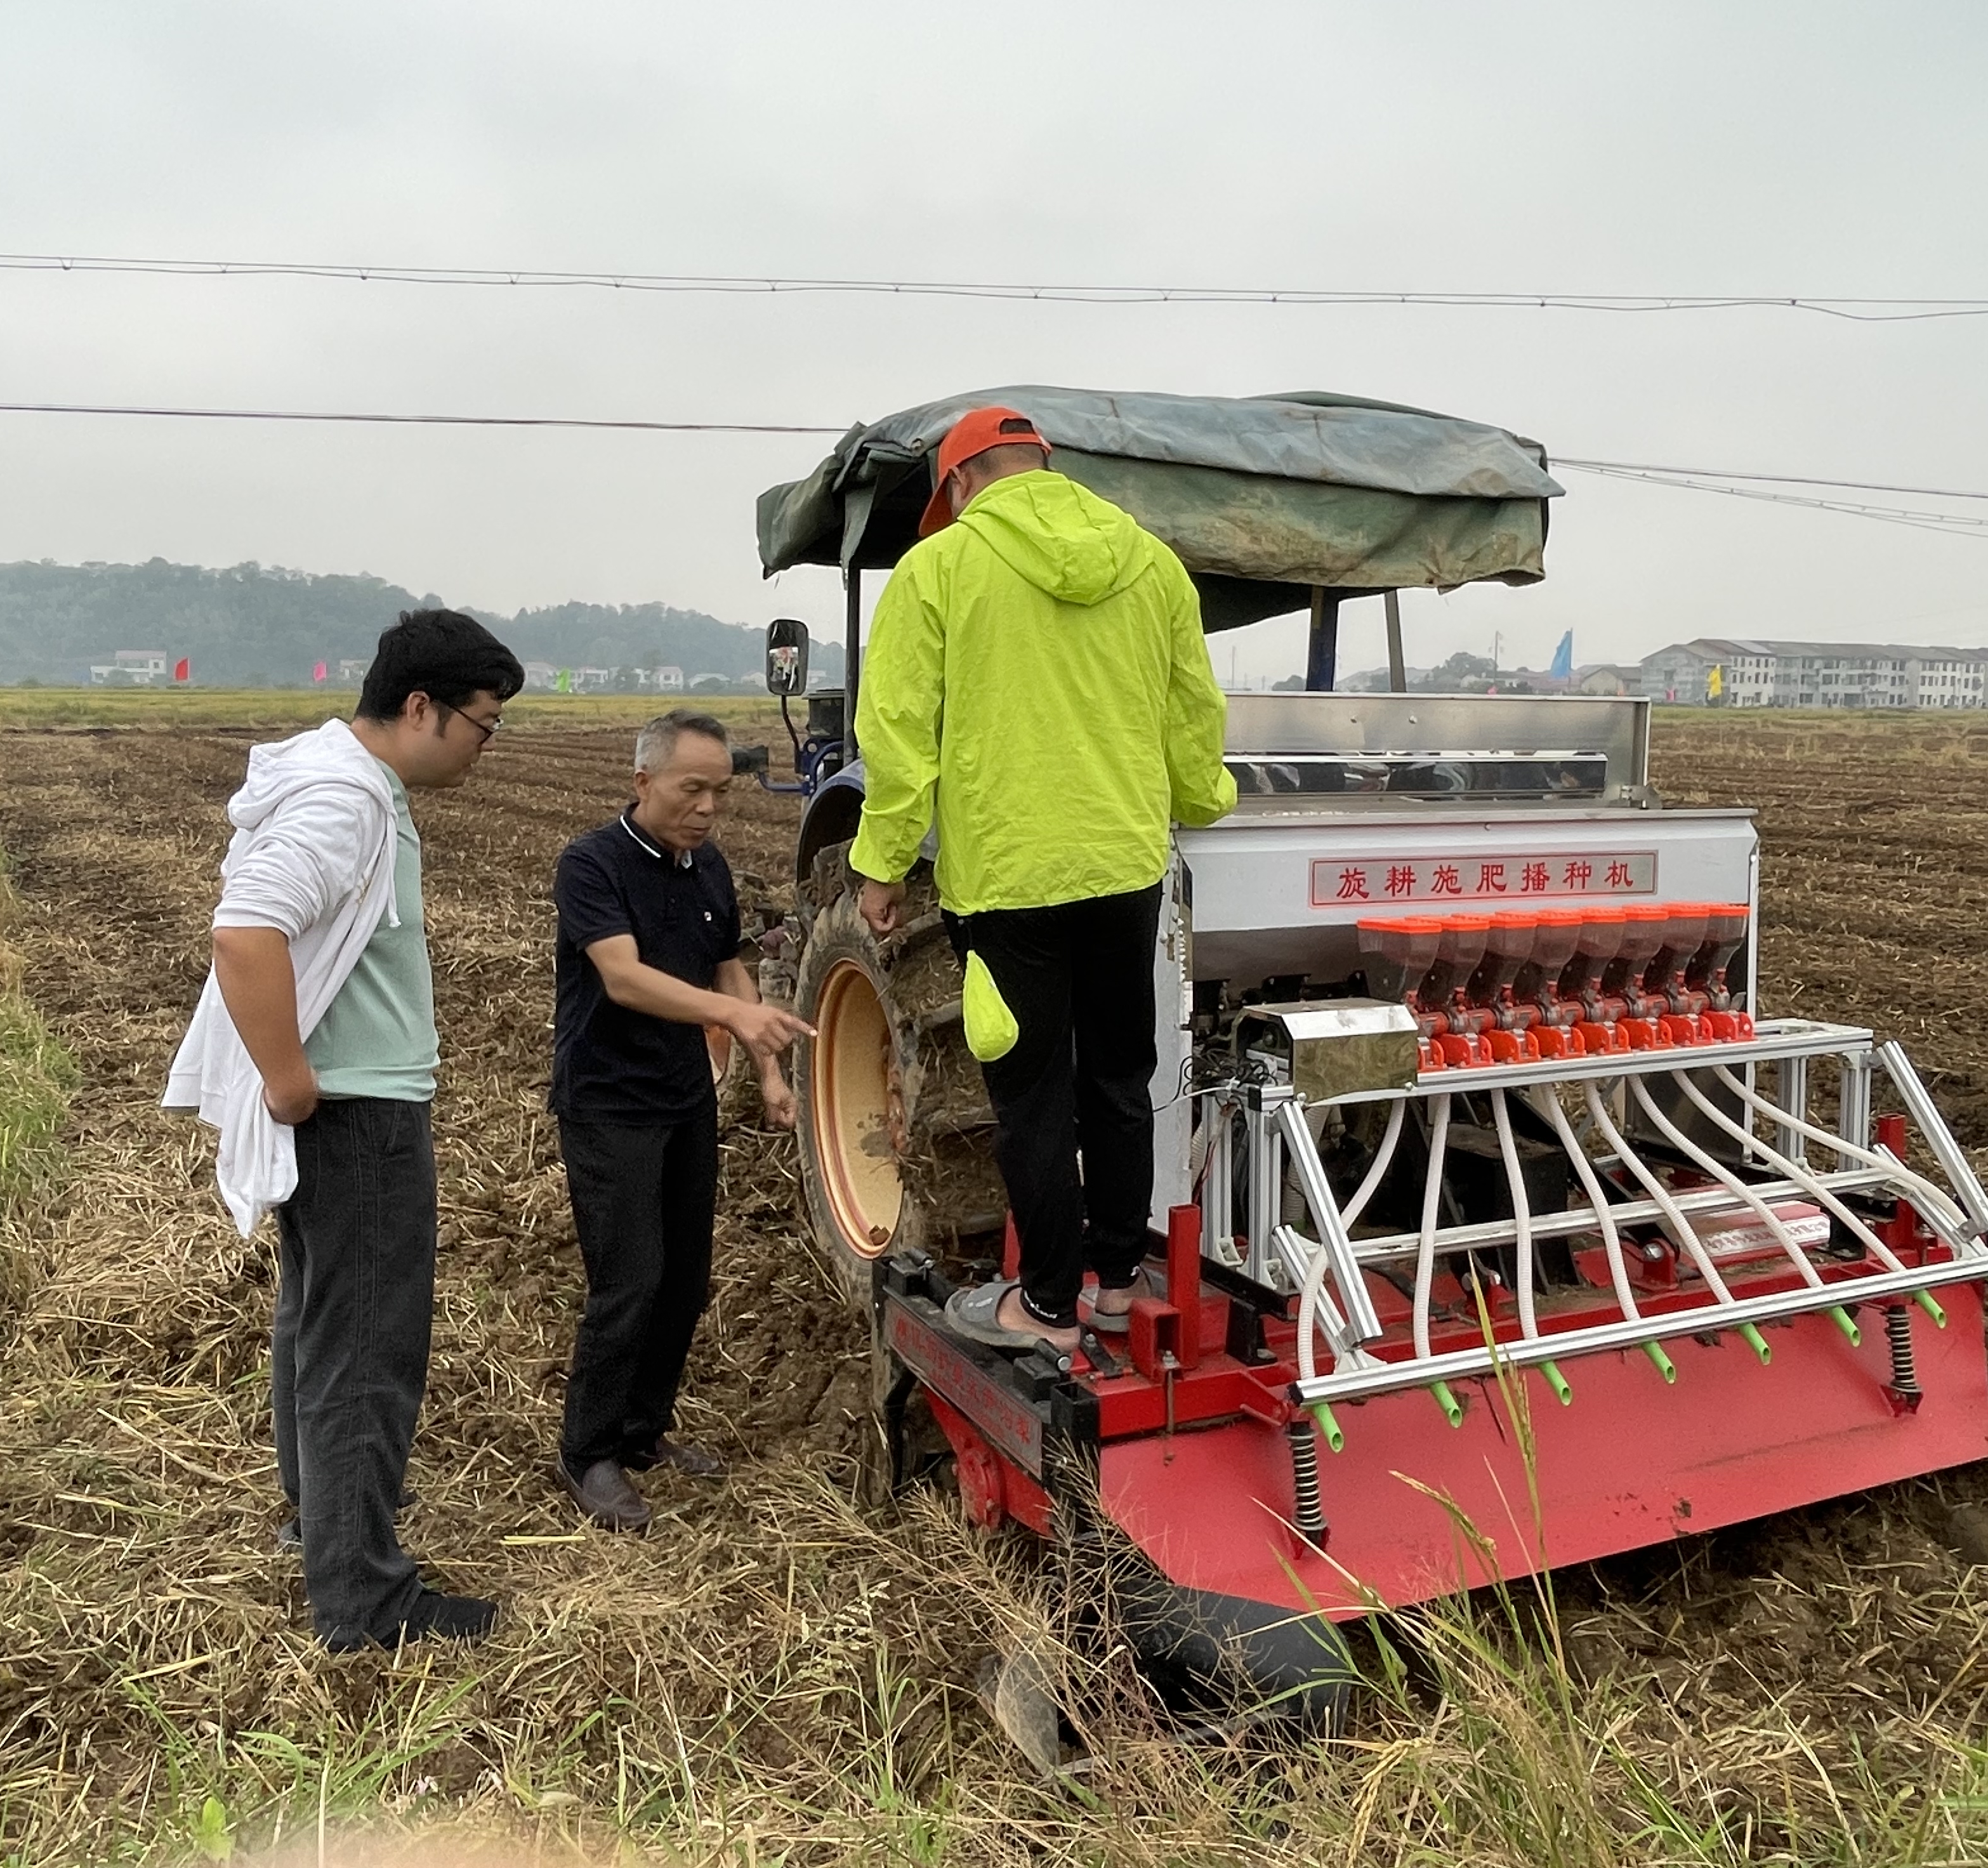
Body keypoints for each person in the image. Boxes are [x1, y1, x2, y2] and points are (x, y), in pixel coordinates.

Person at [163, 609, 523, 1650]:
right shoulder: (345, 799)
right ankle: (363, 1600)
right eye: (483, 724)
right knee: (363, 1349)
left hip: (357, 1104)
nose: (485, 746)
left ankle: (319, 1529)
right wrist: (287, 1081)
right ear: (422, 708)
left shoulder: (349, 783)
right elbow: (245, 931)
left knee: (318, 1327)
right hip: (357, 1117)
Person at [850, 407, 1235, 1353]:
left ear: (961, 484)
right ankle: (1112, 1283)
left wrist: (882, 861)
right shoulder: (1151, 564)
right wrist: (1204, 796)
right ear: (1044, 467)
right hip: (1123, 864)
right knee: (1117, 1073)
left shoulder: (937, 570)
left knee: (1031, 1093)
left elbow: (898, 736)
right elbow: (1193, 709)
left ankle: (1047, 1305)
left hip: (1010, 877)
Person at [550, 709, 812, 1533]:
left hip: (685, 1098)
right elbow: (624, 979)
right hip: (610, 1102)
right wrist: (734, 1022)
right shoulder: (591, 865)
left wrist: (767, 1072)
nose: (707, 808)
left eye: (720, 792)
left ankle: (640, 1433)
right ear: (643, 783)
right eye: (690, 788)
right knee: (629, 1282)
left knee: (685, 1282)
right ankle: (587, 1453)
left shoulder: (709, 867)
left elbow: (732, 970)